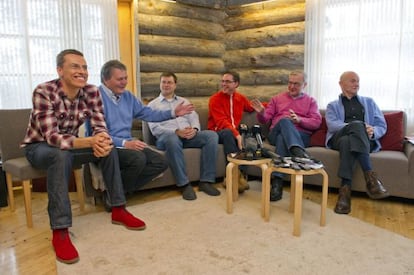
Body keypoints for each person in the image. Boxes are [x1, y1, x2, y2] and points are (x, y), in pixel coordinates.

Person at [21, 49, 154, 264]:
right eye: (75, 66)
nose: (82, 71)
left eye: (84, 67)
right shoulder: (44, 91)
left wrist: (101, 140)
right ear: (60, 70)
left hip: (71, 146)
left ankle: (118, 208)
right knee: (60, 155)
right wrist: (91, 142)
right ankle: (60, 230)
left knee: (107, 146)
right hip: (39, 147)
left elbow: (100, 125)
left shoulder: (91, 92)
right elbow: (53, 138)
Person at [97, 60, 194, 203]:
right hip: (107, 145)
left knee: (160, 162)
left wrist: (173, 112)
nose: (124, 82)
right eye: (120, 79)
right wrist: (124, 143)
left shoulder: (127, 96)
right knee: (138, 158)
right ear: (106, 80)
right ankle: (116, 195)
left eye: (126, 78)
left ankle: (117, 192)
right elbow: (95, 135)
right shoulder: (95, 98)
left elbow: (148, 114)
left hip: (127, 143)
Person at [147, 72, 220, 200]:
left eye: (169, 82)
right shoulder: (152, 105)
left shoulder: (184, 101)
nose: (166, 85)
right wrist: (176, 131)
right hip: (166, 138)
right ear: (160, 84)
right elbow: (155, 129)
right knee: (173, 139)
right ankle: (184, 184)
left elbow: (194, 117)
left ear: (175, 85)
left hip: (187, 136)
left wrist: (194, 129)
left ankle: (206, 181)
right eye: (163, 82)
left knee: (211, 136)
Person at [251, 71, 322, 201]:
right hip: (275, 132)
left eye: (296, 84)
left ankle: (277, 182)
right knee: (284, 121)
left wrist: (300, 120)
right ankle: (297, 151)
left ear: (304, 85)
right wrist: (261, 112)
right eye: (290, 83)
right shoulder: (277, 99)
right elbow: (264, 119)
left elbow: (316, 122)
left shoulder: (311, 101)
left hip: (301, 135)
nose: (292, 86)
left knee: (282, 138)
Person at [326, 71, 389, 215]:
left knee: (347, 142)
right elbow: (332, 126)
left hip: (363, 139)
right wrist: (356, 126)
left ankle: (345, 192)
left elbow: (382, 125)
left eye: (358, 81)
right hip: (339, 136)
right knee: (355, 126)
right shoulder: (333, 105)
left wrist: (373, 131)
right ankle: (371, 179)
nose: (357, 84)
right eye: (353, 81)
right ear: (341, 84)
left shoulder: (369, 102)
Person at [208, 71, 254, 193]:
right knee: (230, 134)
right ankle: (233, 176)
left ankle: (239, 175)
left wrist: (268, 106)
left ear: (236, 84)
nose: (224, 84)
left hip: (232, 132)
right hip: (217, 133)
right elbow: (221, 122)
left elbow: (250, 107)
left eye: (227, 81)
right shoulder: (214, 99)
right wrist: (237, 135)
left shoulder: (240, 98)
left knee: (246, 135)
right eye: (223, 81)